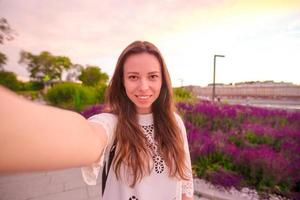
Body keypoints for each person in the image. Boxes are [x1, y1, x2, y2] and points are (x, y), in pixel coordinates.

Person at [0, 41, 194, 200]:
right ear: (122, 82)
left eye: (152, 76)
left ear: (162, 81)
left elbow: (185, 182)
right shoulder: (113, 124)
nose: (144, 86)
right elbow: (88, 136)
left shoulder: (174, 122)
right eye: (133, 77)